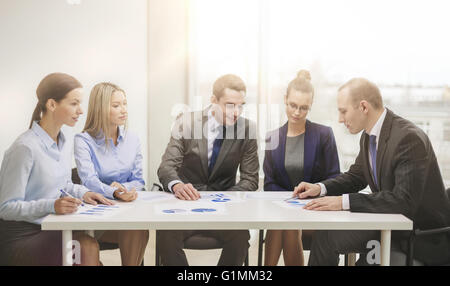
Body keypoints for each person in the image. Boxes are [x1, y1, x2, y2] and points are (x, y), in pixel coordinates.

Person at [294, 77, 450, 265]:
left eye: (343, 111)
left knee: (364, 262)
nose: (340, 119)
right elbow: (356, 176)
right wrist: (320, 188)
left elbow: (403, 201)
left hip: (416, 236)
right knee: (326, 236)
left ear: (364, 107)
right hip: (387, 223)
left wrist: (343, 202)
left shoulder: (408, 138)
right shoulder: (368, 137)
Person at [0, 73, 113, 266]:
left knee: (89, 248)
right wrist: (51, 205)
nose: (81, 111)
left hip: (54, 226)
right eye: (74, 103)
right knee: (86, 246)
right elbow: (6, 208)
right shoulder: (25, 148)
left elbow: (64, 184)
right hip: (23, 237)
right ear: (52, 104)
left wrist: (85, 193)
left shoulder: (63, 140)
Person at [157, 74, 259, 266]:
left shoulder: (247, 129)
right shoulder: (186, 122)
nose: (236, 112)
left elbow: (251, 179)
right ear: (213, 100)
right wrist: (177, 185)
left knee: (240, 236)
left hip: (225, 208)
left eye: (240, 105)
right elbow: (167, 166)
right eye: (230, 105)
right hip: (185, 205)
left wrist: (223, 198)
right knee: (166, 234)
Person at [263, 70, 340, 266]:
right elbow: (269, 184)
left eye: (304, 108)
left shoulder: (324, 135)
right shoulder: (273, 137)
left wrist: (307, 197)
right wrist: (290, 202)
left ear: (310, 106)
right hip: (285, 209)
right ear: (285, 100)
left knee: (285, 224)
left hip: (315, 208)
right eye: (293, 106)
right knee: (283, 223)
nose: (297, 112)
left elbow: (335, 178)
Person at [74, 82, 148, 266]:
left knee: (138, 229)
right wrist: (113, 191)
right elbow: (88, 180)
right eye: (116, 105)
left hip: (126, 212)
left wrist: (126, 189)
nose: (124, 110)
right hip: (96, 215)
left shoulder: (133, 139)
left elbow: (139, 180)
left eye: (125, 104)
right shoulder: (83, 140)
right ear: (99, 109)